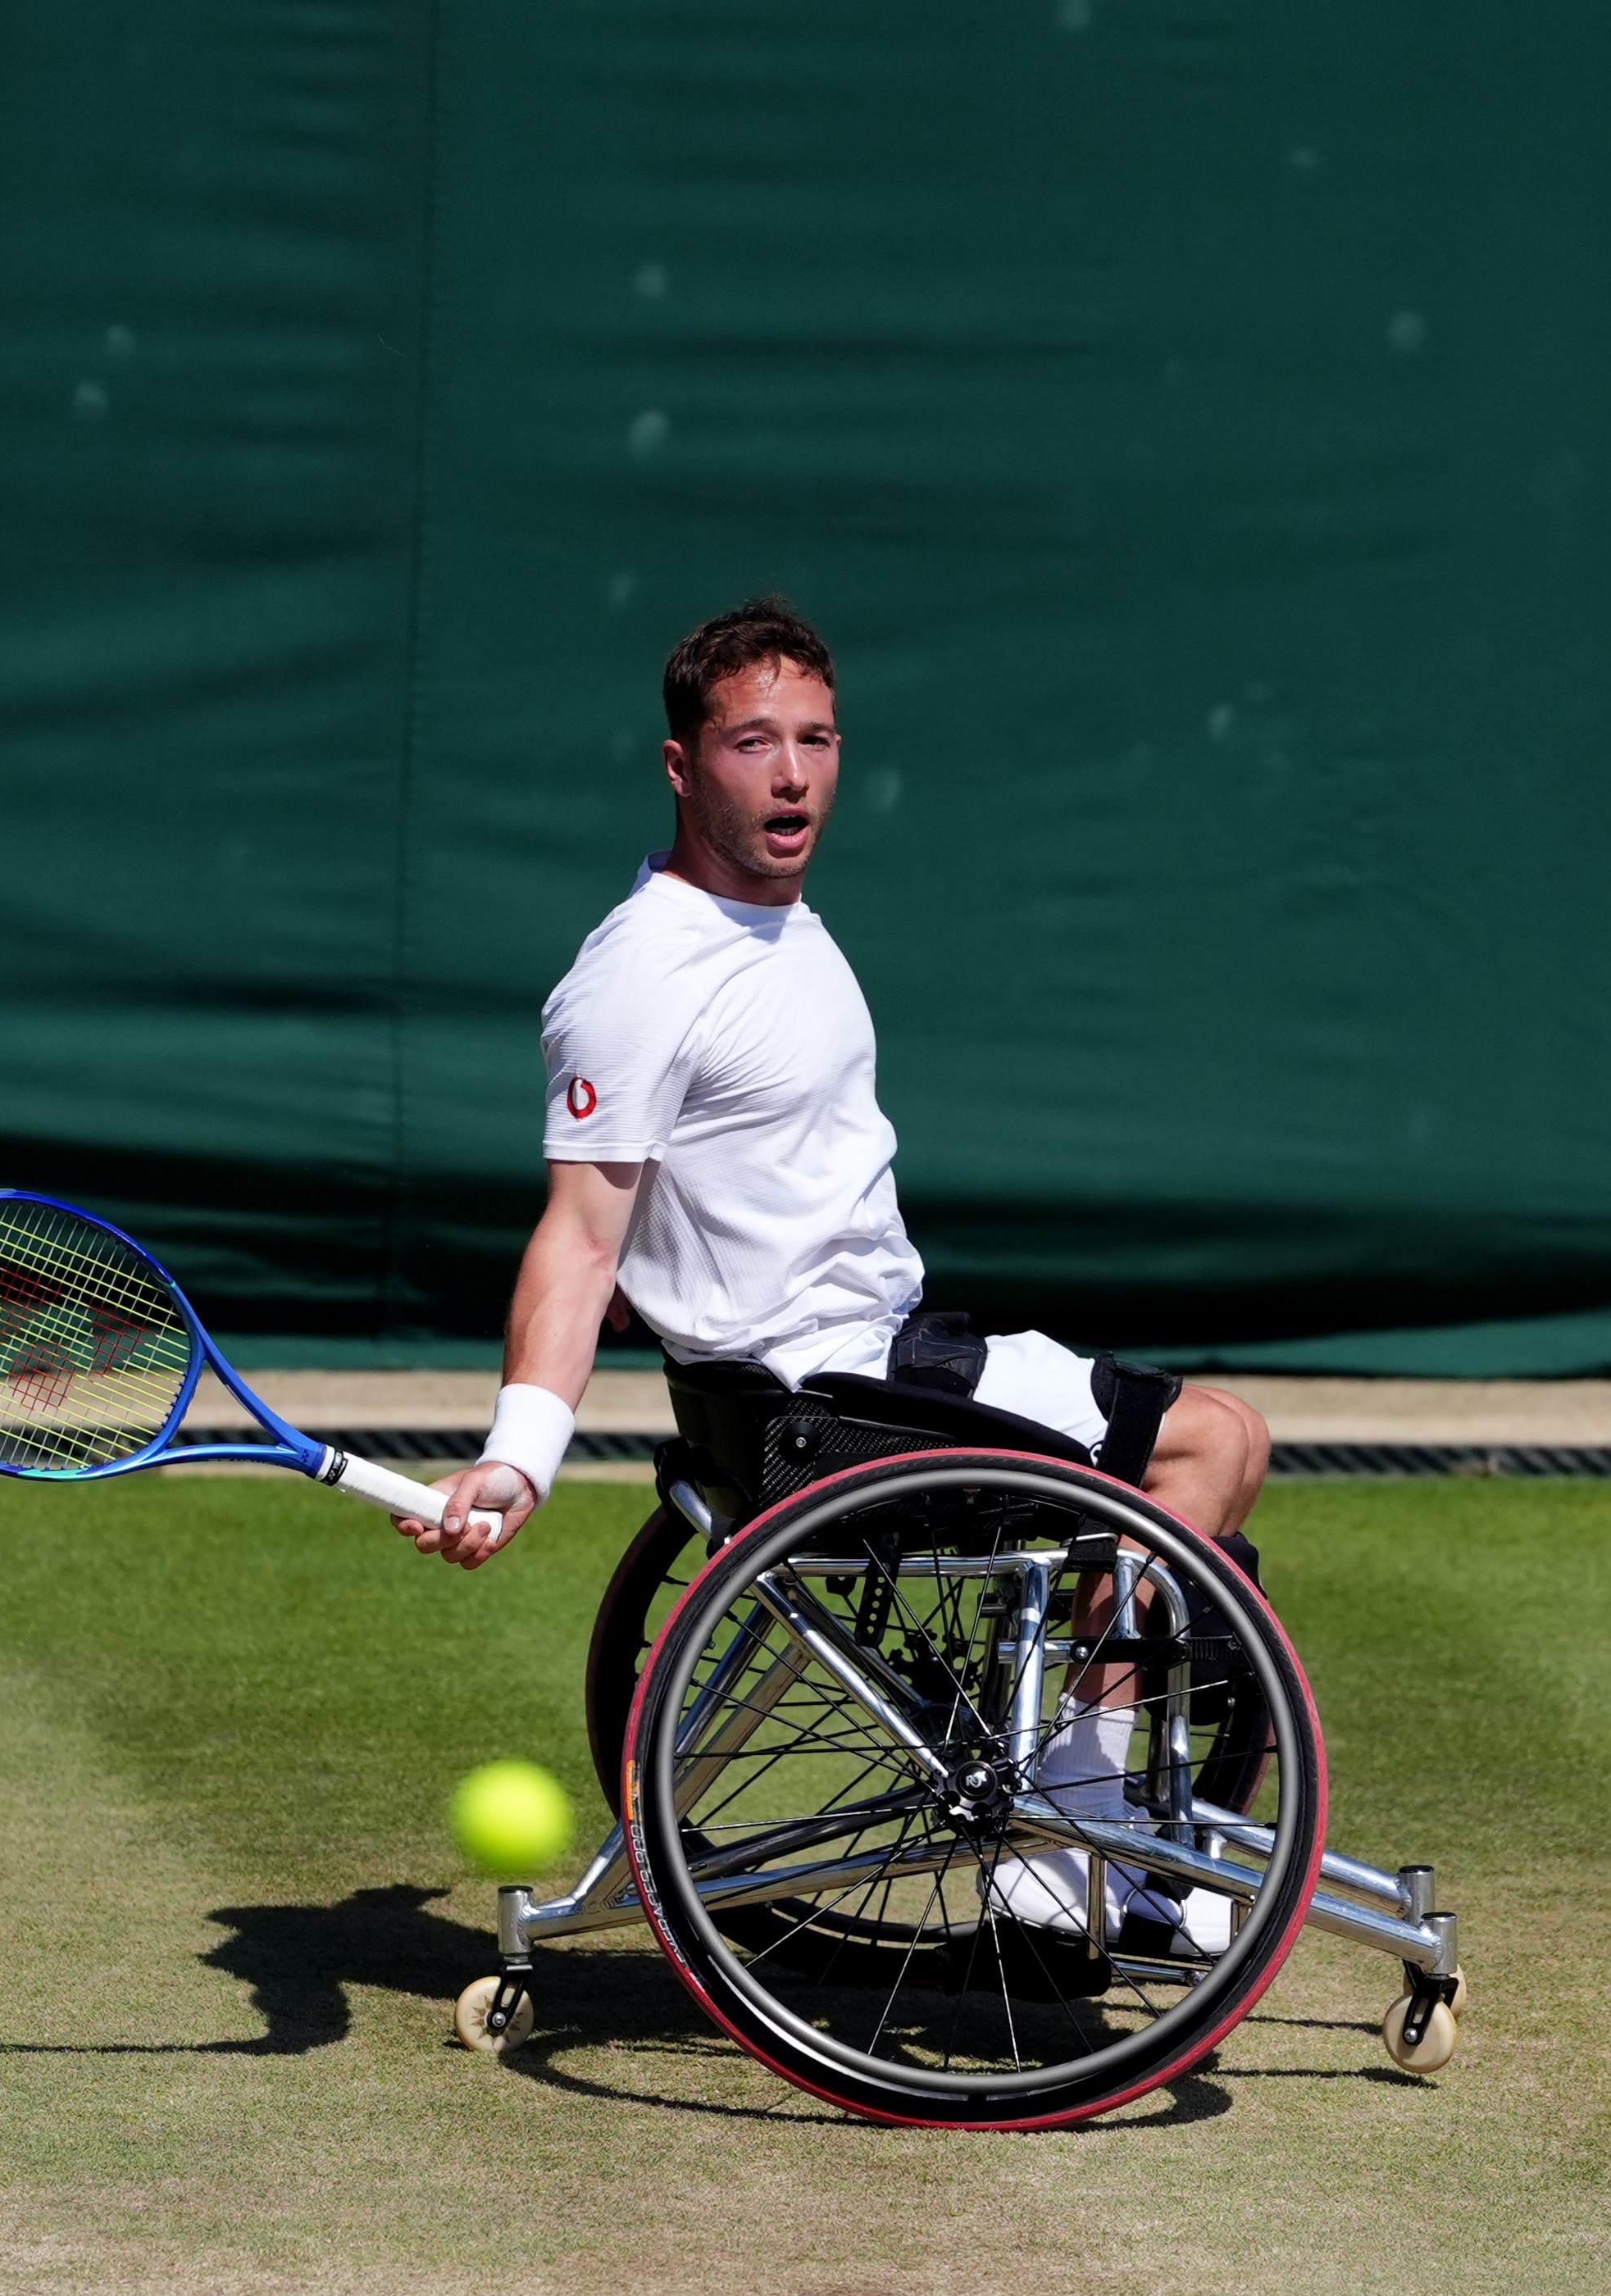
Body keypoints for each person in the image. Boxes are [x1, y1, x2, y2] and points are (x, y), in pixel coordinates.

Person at [396, 594, 1269, 1945]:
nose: (793, 773)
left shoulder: (777, 926)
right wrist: (517, 1454)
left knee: (1205, 1450)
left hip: (885, 1349)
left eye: (815, 738)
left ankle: (1082, 1818)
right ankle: (1063, 1841)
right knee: (1205, 1446)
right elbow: (579, 1236)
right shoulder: (639, 975)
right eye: (753, 743)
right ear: (684, 765)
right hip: (826, 1402)